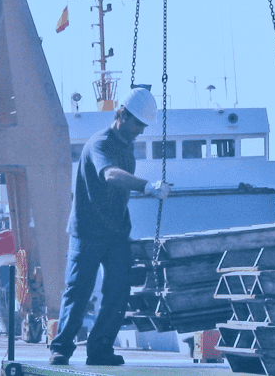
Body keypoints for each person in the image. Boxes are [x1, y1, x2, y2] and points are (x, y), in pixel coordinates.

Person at [49, 87, 171, 366]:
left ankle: (100, 349)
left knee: (118, 292)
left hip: (116, 233)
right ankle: (61, 348)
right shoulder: (100, 144)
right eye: (137, 123)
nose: (140, 130)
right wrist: (147, 186)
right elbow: (111, 175)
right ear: (121, 114)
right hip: (87, 233)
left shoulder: (127, 146)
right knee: (78, 292)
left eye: (144, 125)